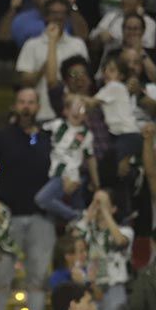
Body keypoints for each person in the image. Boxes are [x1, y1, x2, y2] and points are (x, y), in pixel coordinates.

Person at [0, 88, 56, 310]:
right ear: (15, 106)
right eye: (22, 102)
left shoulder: (50, 137)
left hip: (41, 217)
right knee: (1, 275)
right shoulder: (0, 137)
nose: (26, 107)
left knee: (37, 276)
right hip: (8, 216)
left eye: (31, 102)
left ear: (38, 106)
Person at [16, 0, 88, 123]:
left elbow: (86, 80)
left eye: (62, 13)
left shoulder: (78, 44)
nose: (58, 17)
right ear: (46, 16)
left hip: (73, 115)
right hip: (41, 114)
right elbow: (25, 81)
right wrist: (45, 68)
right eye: (54, 13)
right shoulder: (32, 45)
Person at [32, 92, 97, 224]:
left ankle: (76, 216)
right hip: (56, 172)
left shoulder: (87, 135)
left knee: (42, 199)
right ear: (65, 111)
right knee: (74, 205)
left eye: (82, 109)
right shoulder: (57, 125)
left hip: (70, 175)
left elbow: (90, 158)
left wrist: (96, 182)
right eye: (74, 108)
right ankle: (80, 218)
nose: (78, 112)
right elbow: (36, 132)